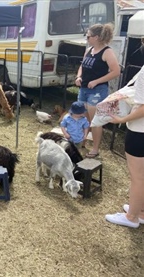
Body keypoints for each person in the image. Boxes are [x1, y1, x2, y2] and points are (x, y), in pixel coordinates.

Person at [105, 65, 144, 228]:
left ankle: (131, 217)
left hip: (139, 131)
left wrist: (122, 119)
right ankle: (140, 211)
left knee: (138, 177)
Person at [75, 23, 120, 158]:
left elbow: (116, 71)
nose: (87, 38)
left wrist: (97, 81)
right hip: (84, 89)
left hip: (98, 90)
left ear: (97, 37)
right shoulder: (89, 50)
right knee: (83, 116)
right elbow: (82, 66)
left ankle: (95, 149)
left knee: (95, 120)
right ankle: (82, 142)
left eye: (88, 36)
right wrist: (79, 76)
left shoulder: (107, 52)